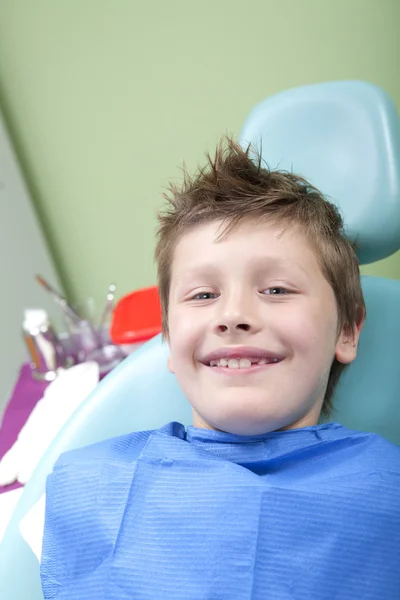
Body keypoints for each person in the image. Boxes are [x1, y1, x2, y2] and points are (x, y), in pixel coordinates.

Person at [40, 138, 400, 599]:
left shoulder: (388, 492)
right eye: (203, 295)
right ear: (170, 341)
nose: (233, 315)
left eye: (276, 289)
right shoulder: (85, 486)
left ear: (347, 330)